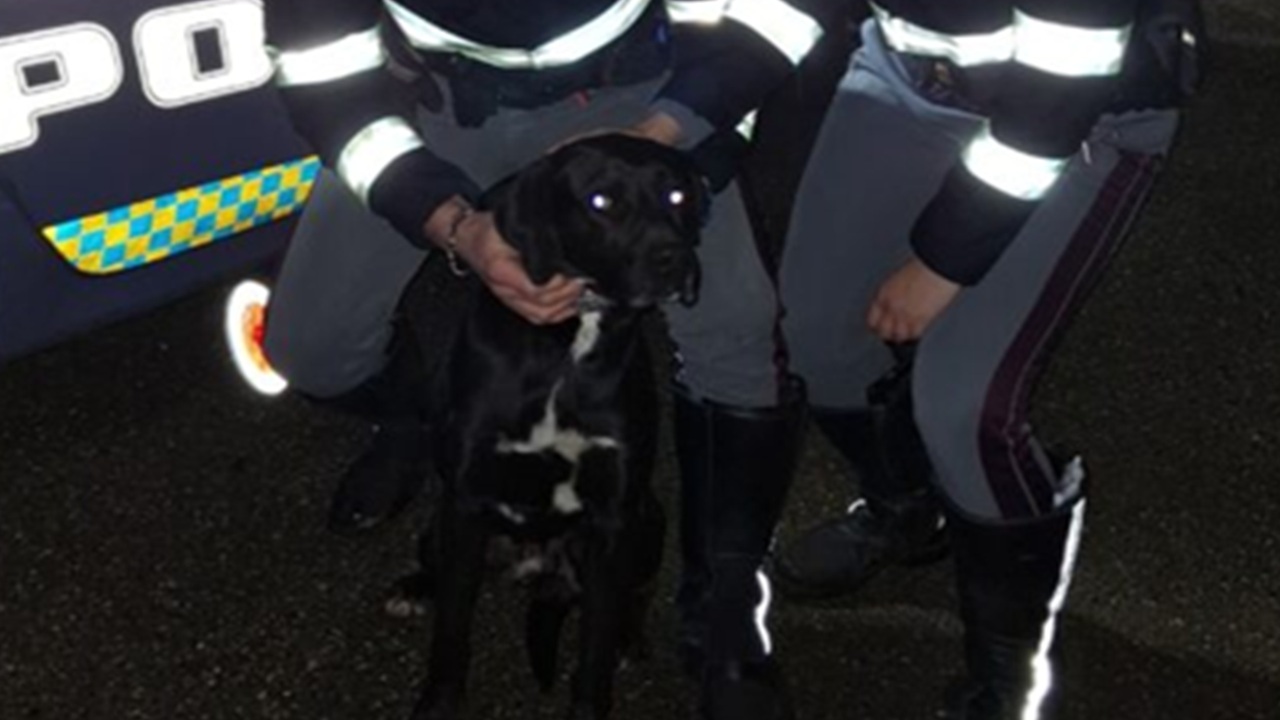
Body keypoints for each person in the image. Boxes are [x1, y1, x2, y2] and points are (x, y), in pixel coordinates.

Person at [260, 1, 836, 716]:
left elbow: (769, 17)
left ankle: (725, 607)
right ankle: (420, 431)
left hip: (641, 98)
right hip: (439, 104)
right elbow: (326, 78)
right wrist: (454, 223)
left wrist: (669, 131)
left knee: (739, 334)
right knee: (310, 345)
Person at [773, 0, 1203, 717]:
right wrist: (680, 118)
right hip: (904, 80)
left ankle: (1006, 677)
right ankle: (905, 510)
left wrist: (942, 263)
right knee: (814, 334)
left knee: (965, 406)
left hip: (1085, 120)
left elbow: (1061, 90)